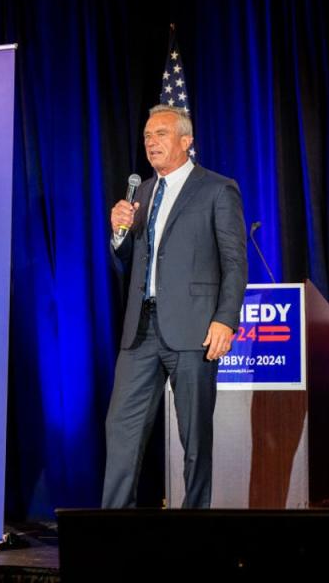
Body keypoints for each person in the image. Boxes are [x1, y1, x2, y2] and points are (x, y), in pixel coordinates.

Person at [102, 104, 248, 509]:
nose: (151, 142)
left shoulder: (217, 189)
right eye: (147, 136)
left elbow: (234, 262)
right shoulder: (143, 193)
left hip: (194, 329)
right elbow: (127, 259)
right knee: (121, 428)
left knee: (194, 437)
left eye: (161, 134)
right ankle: (112, 528)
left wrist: (225, 320)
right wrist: (119, 233)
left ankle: (194, 527)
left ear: (186, 141)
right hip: (141, 330)